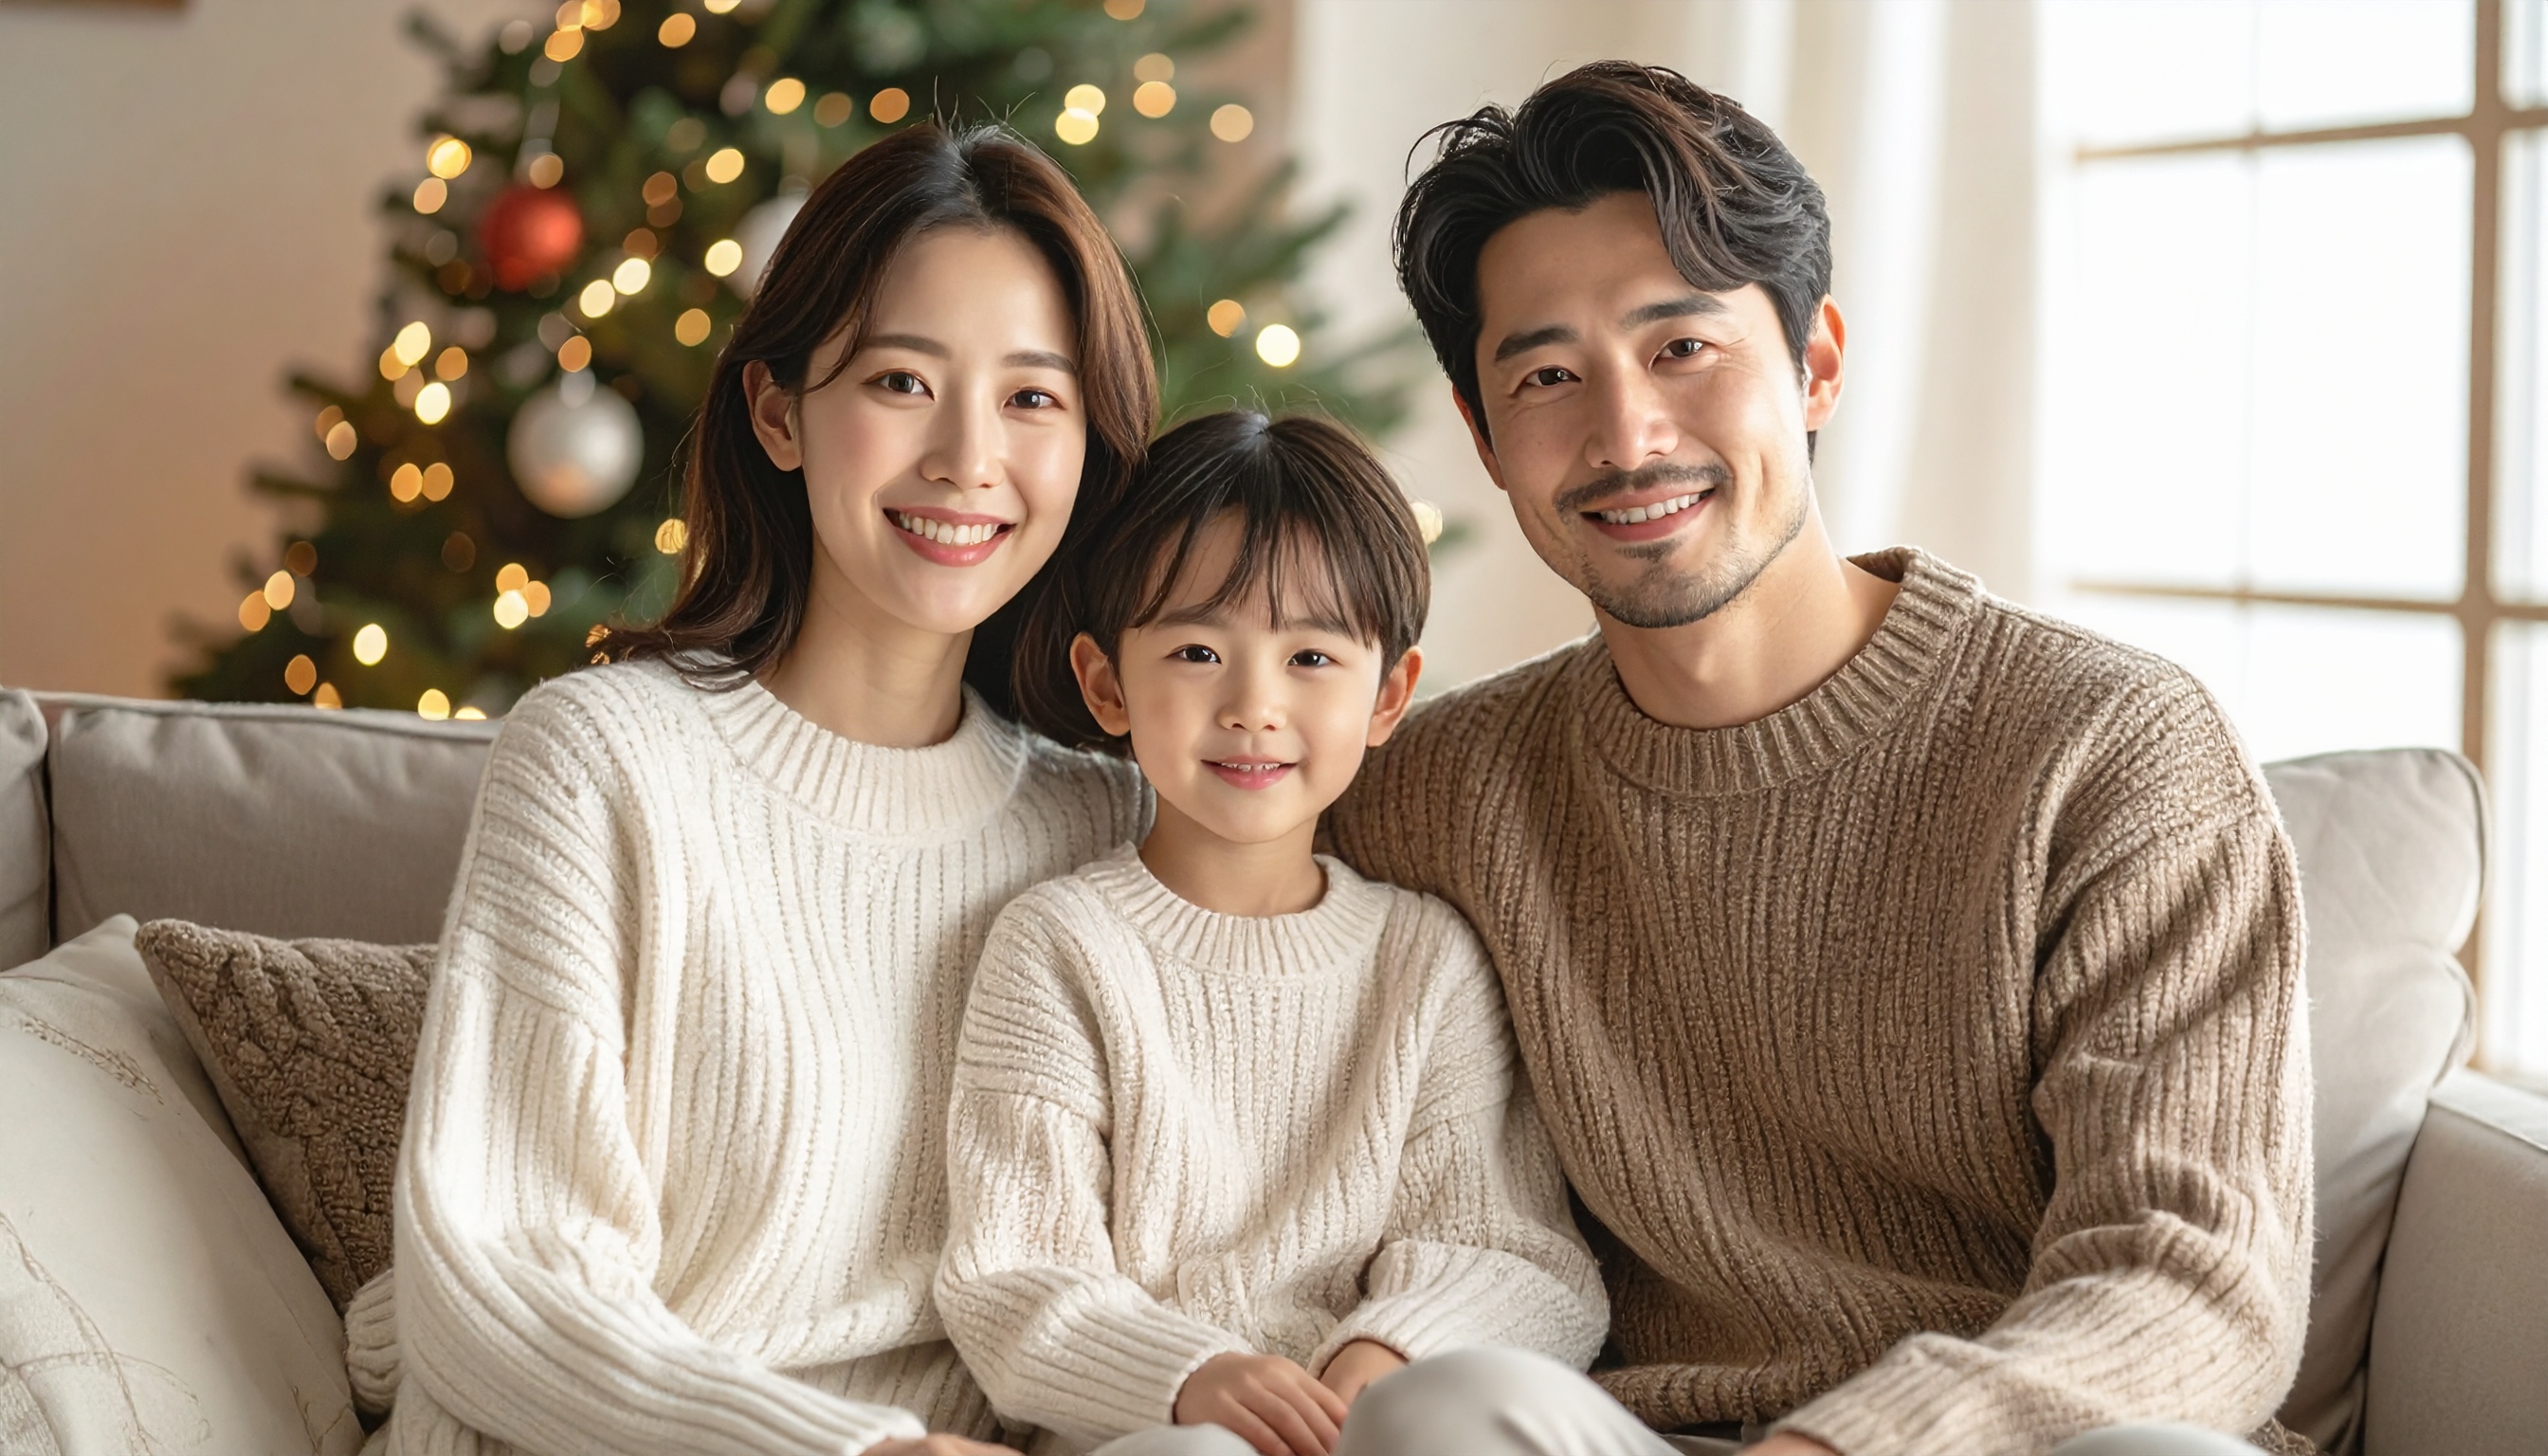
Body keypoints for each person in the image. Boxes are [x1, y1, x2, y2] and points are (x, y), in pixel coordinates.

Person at [1319, 63, 2313, 1456]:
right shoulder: (1436, 791)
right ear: (1486, 443)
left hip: (2024, 1445)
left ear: (1817, 363)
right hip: (1636, 1438)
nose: (1625, 436)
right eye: (1548, 377)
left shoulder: (2110, 750)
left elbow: (2196, 1282)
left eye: (1683, 349)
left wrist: (1847, 1445)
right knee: (1446, 1409)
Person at [372, 123, 1156, 1456]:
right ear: (780, 413)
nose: (970, 459)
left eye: (1034, 397)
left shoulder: (1111, 826)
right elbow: (503, 1271)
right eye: (904, 382)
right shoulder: (604, 760)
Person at [936, 410, 1608, 1456]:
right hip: (1157, 1435)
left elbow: (1512, 1257)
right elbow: (1014, 1277)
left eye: (1310, 657)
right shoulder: (1061, 946)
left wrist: (1378, 1361)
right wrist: (1191, 1377)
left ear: (1389, 697)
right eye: (1200, 651)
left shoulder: (1425, 963)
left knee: (1457, 1413)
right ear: (1108, 684)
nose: (1254, 705)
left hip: (1373, 1427)